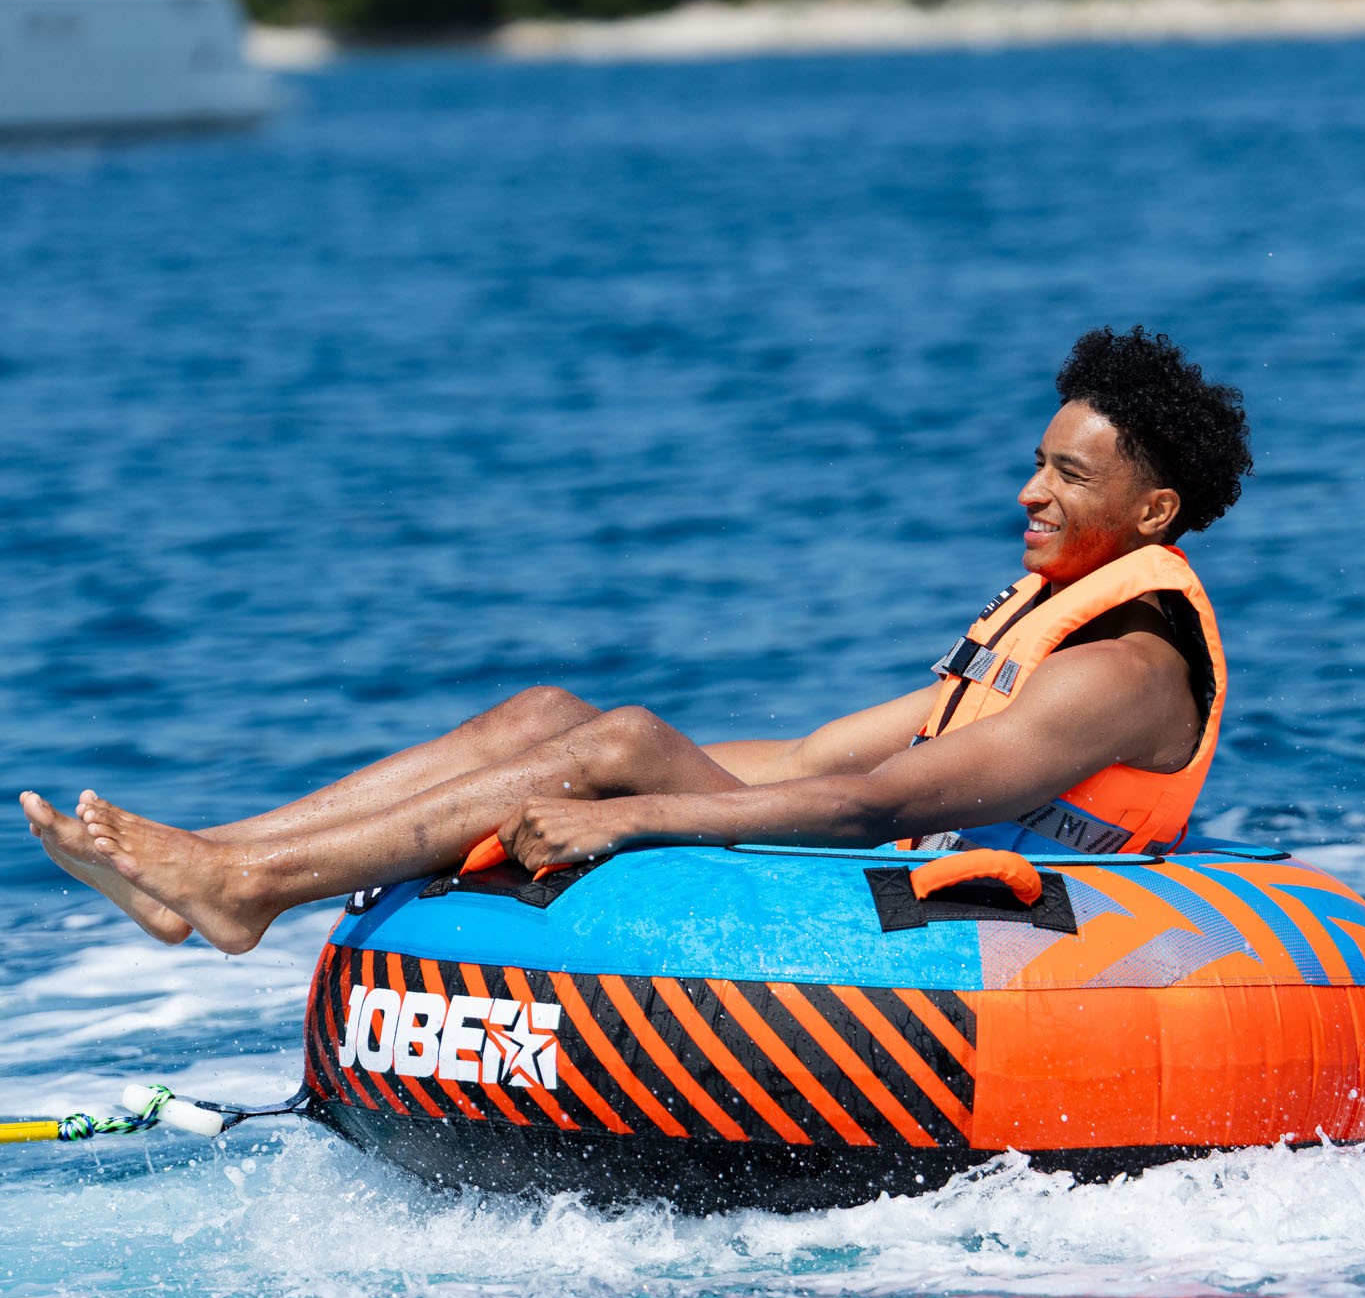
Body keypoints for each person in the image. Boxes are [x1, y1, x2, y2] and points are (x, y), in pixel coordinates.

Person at [20, 325, 1251, 957]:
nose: (1031, 492)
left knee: (619, 748)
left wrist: (633, 807)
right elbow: (819, 754)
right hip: (897, 876)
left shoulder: (1124, 668)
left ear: (1153, 514)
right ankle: (223, 867)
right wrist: (592, 767)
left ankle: (245, 890)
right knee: (551, 718)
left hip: (957, 925)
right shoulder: (1045, 622)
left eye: (1068, 476)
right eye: (1037, 462)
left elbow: (881, 806)